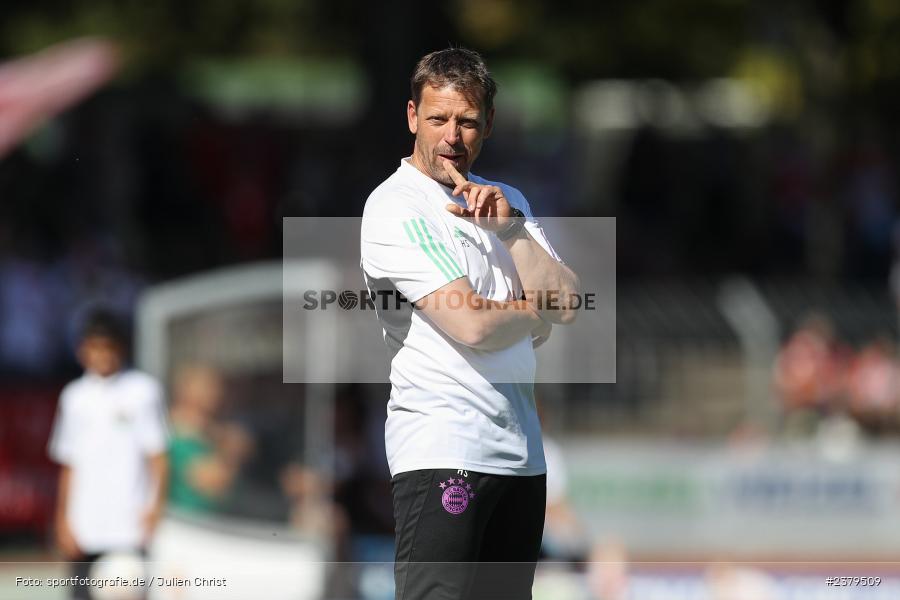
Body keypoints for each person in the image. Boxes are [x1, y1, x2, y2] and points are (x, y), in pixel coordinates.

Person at [360, 47, 580, 600]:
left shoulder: (508, 202)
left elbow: (570, 302)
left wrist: (511, 232)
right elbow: (473, 325)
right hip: (444, 448)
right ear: (413, 116)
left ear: (489, 123)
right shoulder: (396, 205)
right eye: (438, 119)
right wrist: (535, 310)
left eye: (468, 122)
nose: (452, 137)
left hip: (522, 457)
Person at [47, 309, 168, 600]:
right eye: (94, 347)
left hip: (129, 527)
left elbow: (158, 456)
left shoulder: (143, 390)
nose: (102, 355)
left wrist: (155, 508)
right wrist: (63, 518)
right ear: (81, 351)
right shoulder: (74, 397)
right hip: (85, 527)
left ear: (121, 348)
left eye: (108, 347)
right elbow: (69, 464)